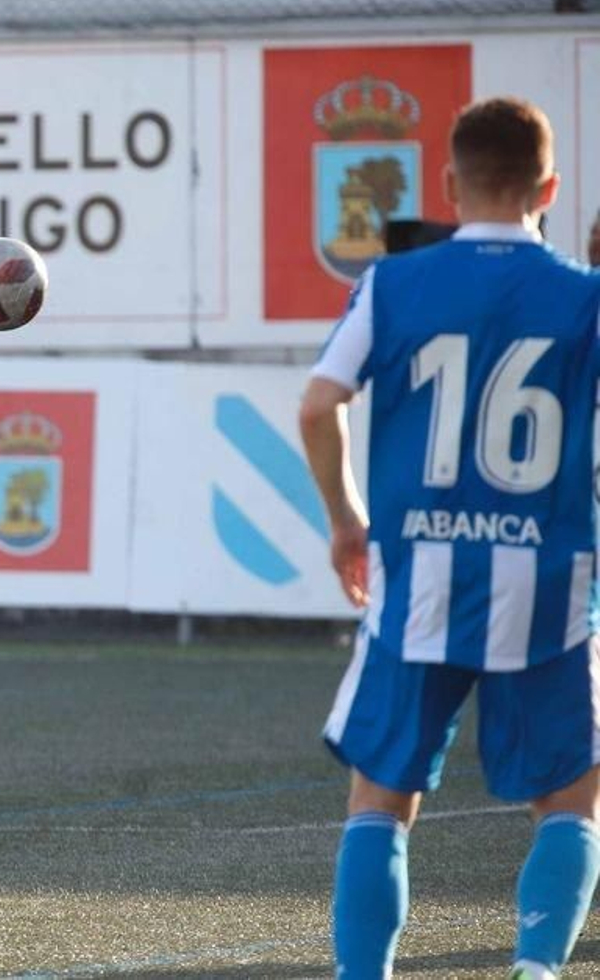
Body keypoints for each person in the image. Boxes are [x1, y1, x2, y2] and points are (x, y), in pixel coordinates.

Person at [300, 97, 600, 979]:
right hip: (548, 587)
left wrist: (346, 522)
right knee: (572, 801)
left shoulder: (394, 284)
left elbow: (320, 405)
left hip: (419, 576)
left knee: (381, 801)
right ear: (548, 186)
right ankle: (537, 967)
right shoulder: (583, 299)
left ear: (447, 183)